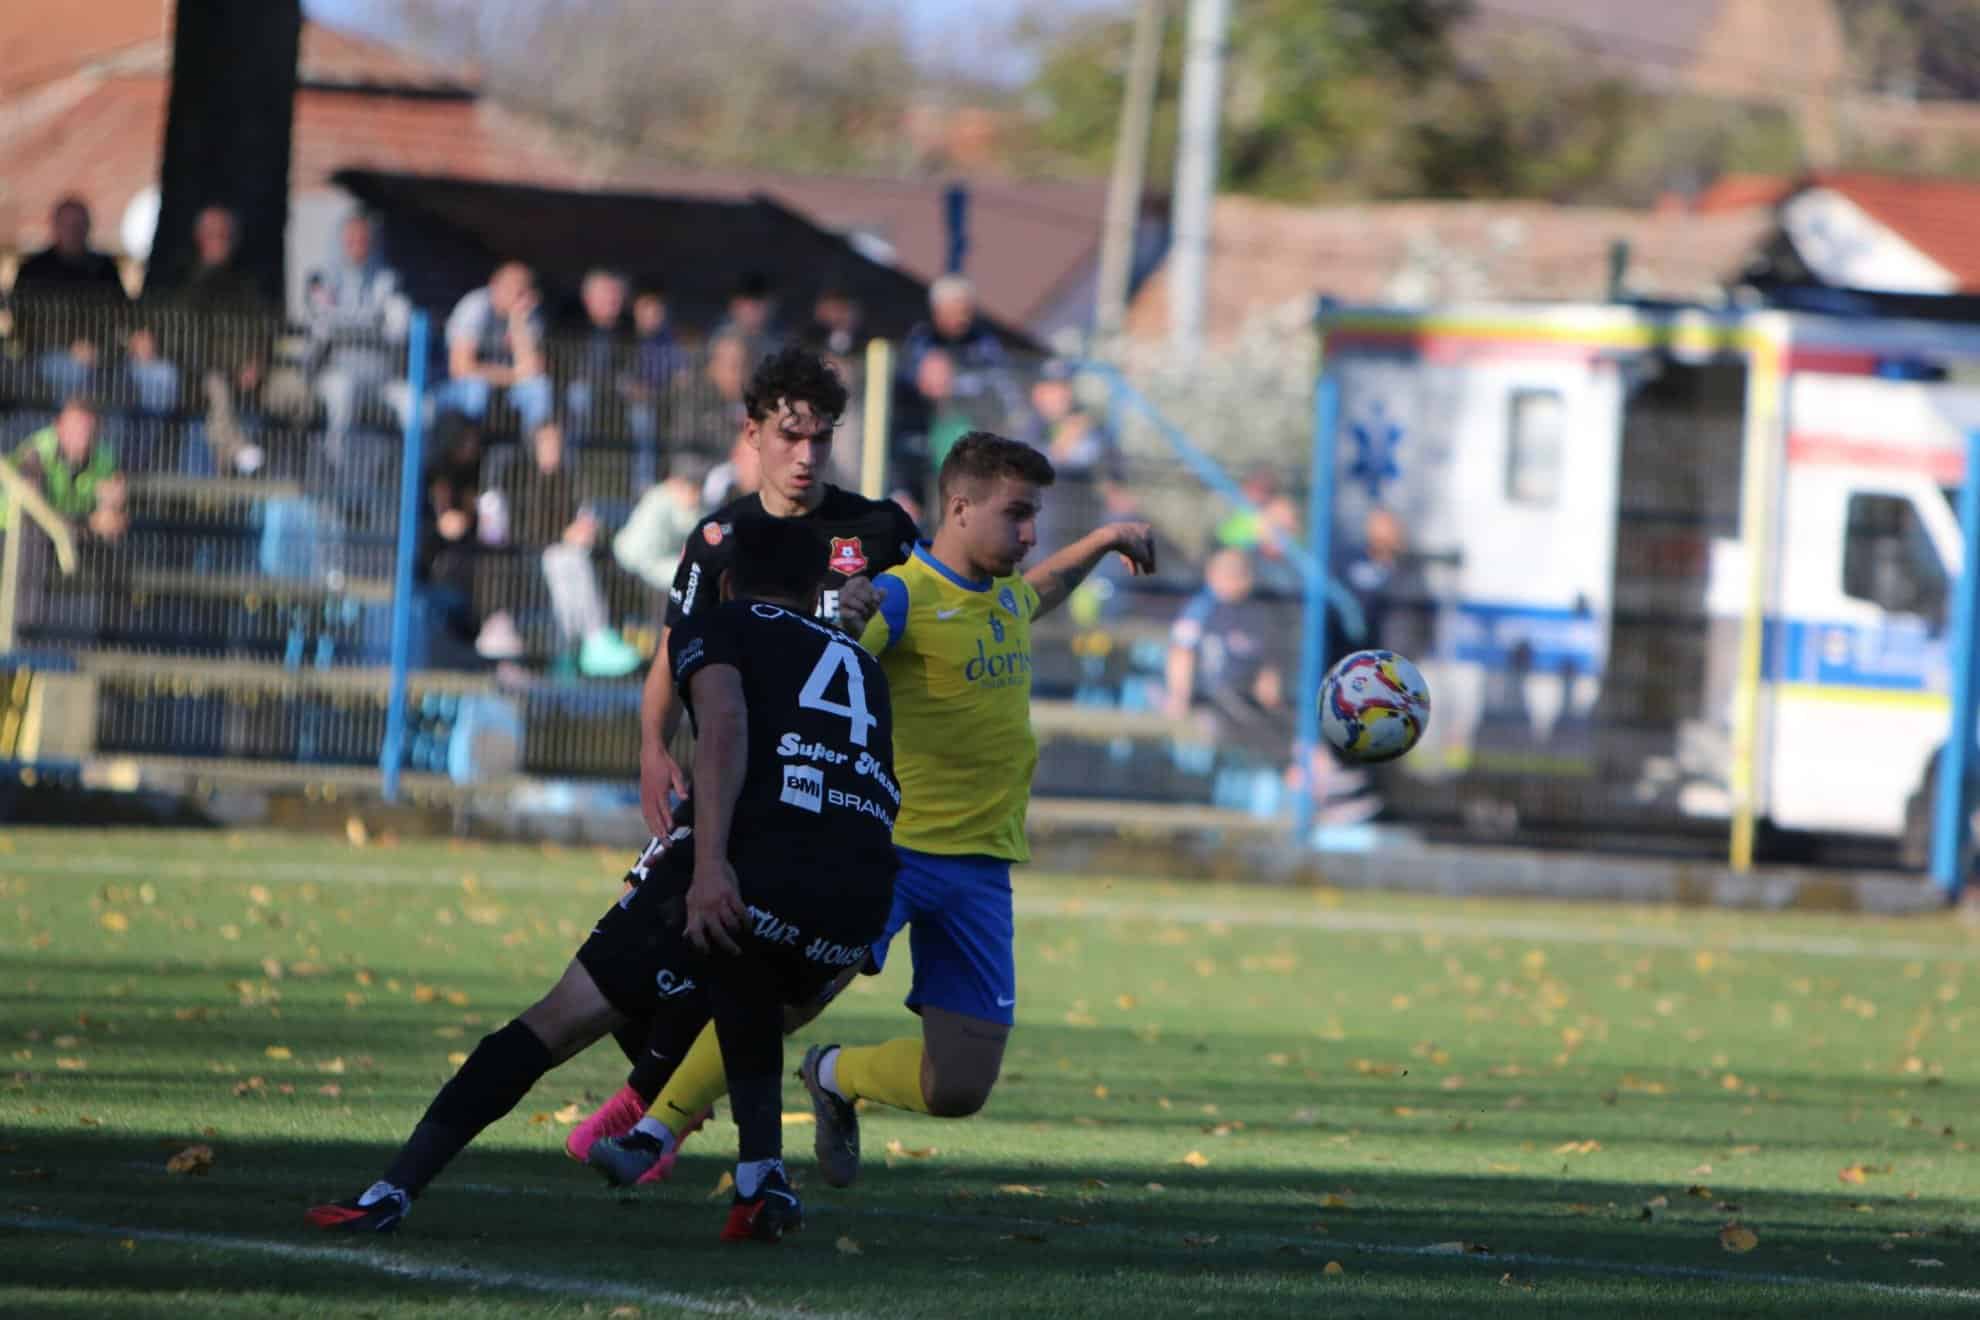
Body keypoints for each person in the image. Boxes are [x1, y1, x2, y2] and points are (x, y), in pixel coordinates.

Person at [586, 432, 1156, 1188]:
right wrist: (850, 616)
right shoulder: (898, 594)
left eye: (1036, 517)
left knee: (958, 1086)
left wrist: (1105, 538)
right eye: (1017, 514)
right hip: (886, 856)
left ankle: (833, 1078)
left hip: (982, 869)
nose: (1029, 533)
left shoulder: (1003, 597)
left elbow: (1044, 588)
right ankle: (653, 1129)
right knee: (784, 999)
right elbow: (835, 651)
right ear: (959, 506)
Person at [305, 516, 899, 1241]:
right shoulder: (862, 665)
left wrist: (709, 865)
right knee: (748, 977)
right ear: (816, 590)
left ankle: (389, 1192)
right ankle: (760, 1184)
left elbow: (725, 732)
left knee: (554, 1021)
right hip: (857, 902)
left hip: (759, 866)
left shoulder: (721, 625)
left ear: (731, 581)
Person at [552, 345, 920, 1164]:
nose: (806, 455)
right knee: (657, 944)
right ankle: (656, 1102)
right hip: (734, 784)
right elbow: (671, 649)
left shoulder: (881, 532)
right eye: (790, 436)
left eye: (821, 438)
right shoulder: (720, 539)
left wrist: (886, 615)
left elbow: (930, 632)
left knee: (784, 984)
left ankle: (656, 1114)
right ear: (752, 433)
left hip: (834, 799)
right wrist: (652, 747)